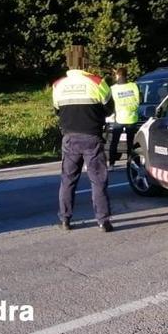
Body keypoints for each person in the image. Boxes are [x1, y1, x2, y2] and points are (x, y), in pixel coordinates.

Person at [52, 60, 115, 232]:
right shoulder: (97, 82)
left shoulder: (58, 85)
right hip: (92, 137)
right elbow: (110, 108)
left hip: (70, 138)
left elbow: (56, 110)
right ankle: (103, 221)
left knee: (68, 180)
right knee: (98, 180)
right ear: (85, 65)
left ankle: (65, 219)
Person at [108, 67, 140, 168]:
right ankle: (131, 163)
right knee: (130, 143)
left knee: (114, 141)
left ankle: (112, 164)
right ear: (126, 75)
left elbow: (110, 103)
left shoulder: (113, 89)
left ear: (117, 75)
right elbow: (138, 101)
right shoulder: (133, 86)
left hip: (120, 118)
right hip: (132, 118)